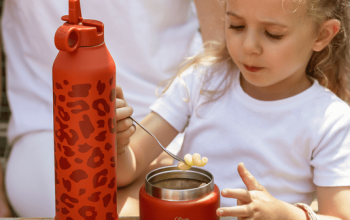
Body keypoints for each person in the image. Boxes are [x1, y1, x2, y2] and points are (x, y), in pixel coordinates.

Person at [116, 0, 350, 219]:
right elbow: (127, 170)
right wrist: (117, 144)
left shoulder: (331, 120)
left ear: (322, 34)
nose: (248, 46)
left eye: (273, 34)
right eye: (236, 26)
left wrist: (286, 214)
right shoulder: (203, 80)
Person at [0, 0, 225, 217]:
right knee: (98, 208)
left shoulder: (184, 92)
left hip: (170, 125)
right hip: (51, 134)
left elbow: (224, 45)